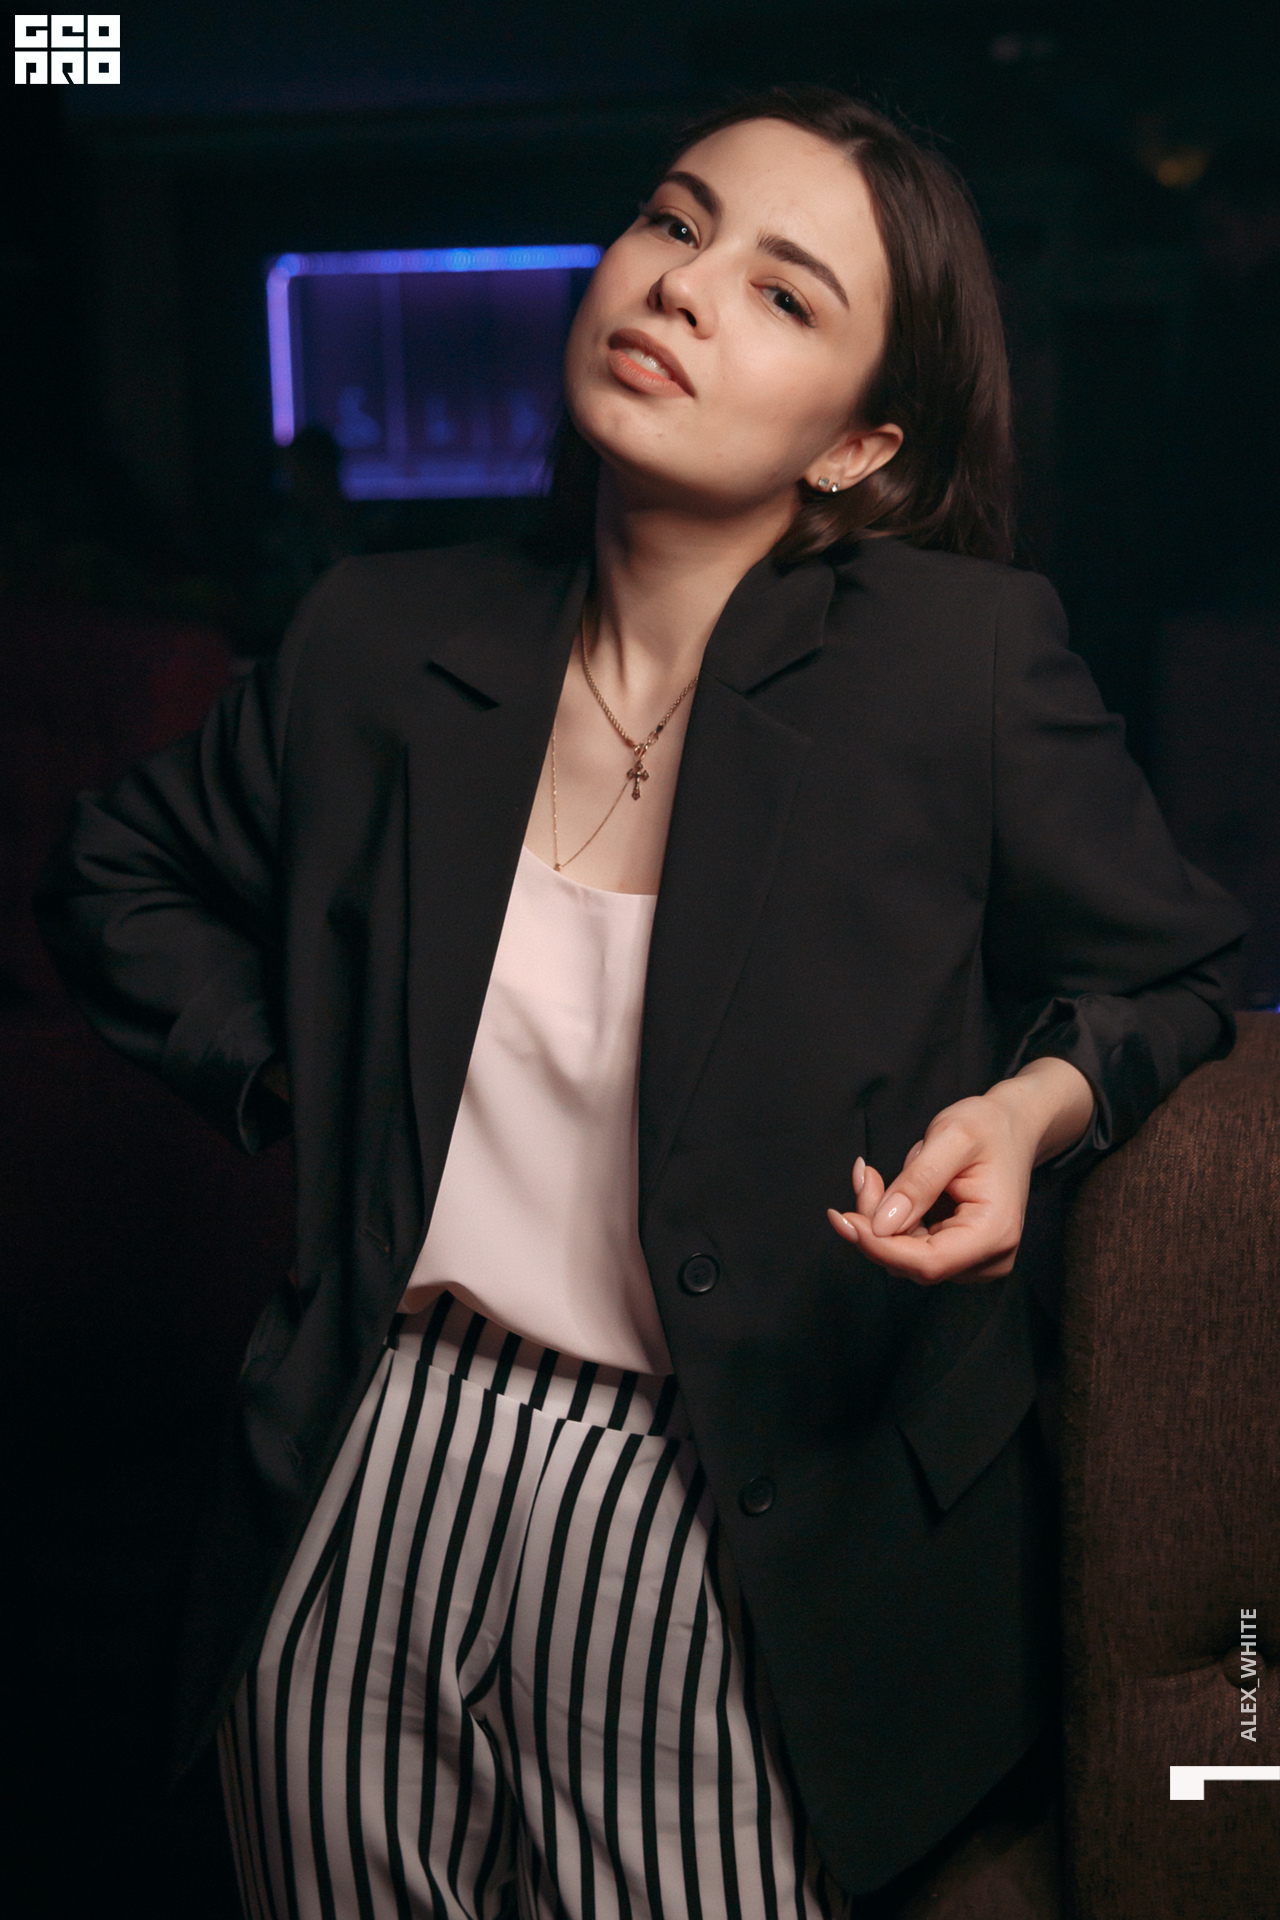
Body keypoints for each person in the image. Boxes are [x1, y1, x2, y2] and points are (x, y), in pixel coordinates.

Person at [34, 88, 1249, 1919]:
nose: (683, 285)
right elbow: (111, 873)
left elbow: (1172, 965)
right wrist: (308, 1082)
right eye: (676, 223)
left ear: (859, 445)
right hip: (371, 1458)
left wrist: (1029, 1110)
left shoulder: (958, 670)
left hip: (735, 1502)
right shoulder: (378, 638)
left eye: (783, 291)